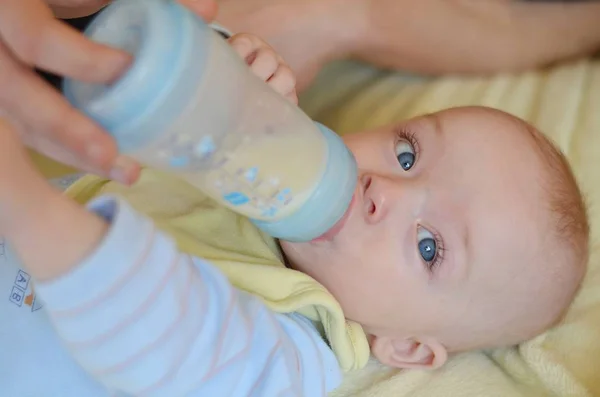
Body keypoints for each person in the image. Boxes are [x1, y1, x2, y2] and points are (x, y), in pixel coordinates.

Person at [0, 36, 589, 395]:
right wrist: (224, 79)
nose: (381, 189)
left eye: (429, 246)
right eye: (407, 154)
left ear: (406, 348)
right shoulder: (250, 162)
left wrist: (26, 204)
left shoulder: (291, 349)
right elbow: (135, 122)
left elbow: (167, 338)